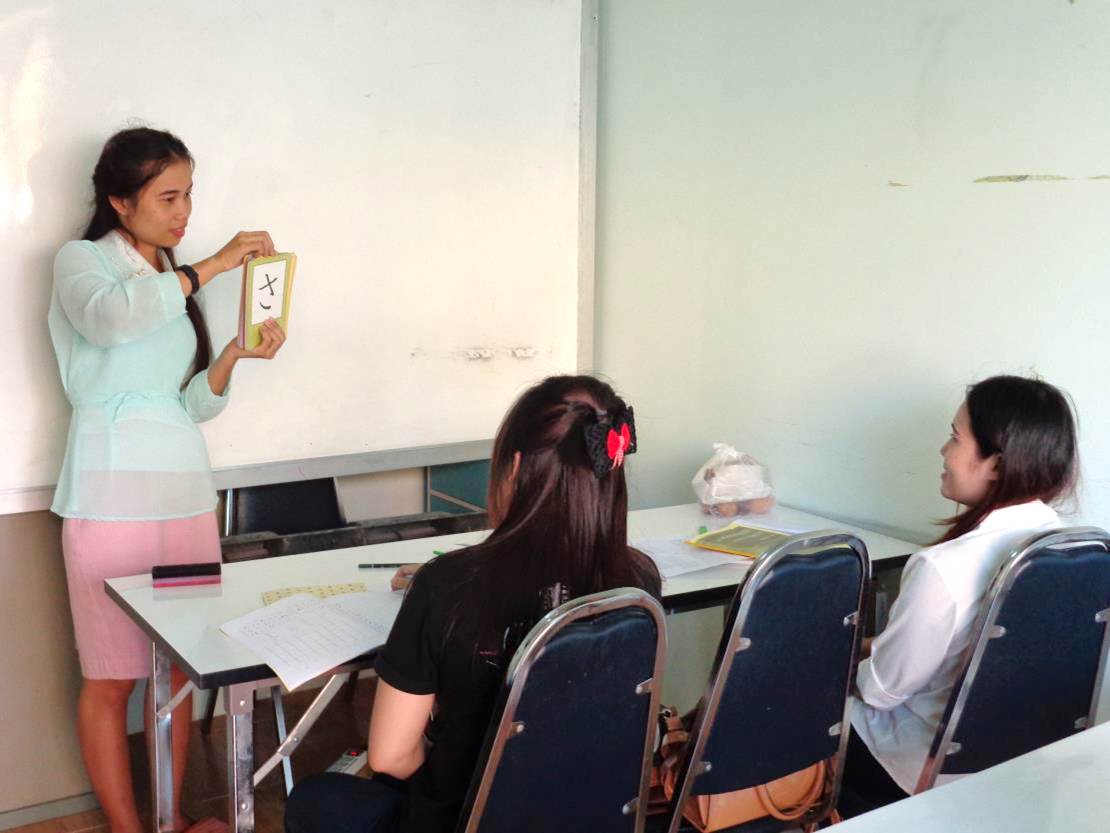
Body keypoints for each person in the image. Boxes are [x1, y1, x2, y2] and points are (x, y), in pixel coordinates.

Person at [284, 375, 662, 833]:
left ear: (515, 467)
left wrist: (447, 776)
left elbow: (390, 756)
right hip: (587, 814)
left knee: (315, 798)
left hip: (467, 819)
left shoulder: (447, 586)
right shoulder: (639, 582)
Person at [49, 127, 287, 833]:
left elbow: (187, 404)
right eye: (168, 196)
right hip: (107, 500)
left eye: (189, 195)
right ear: (121, 202)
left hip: (183, 498)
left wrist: (234, 354)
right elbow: (109, 321)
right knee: (111, 676)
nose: (184, 211)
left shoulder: (172, 277)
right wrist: (208, 267)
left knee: (180, 669)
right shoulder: (83, 262)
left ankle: (171, 820)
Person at [840, 375, 1079, 816]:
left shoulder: (944, 568)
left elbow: (881, 690)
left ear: (997, 464)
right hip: (1018, 767)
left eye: (954, 438)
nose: (943, 451)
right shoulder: (1075, 549)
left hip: (913, 770)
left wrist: (835, 662)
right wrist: (873, 646)